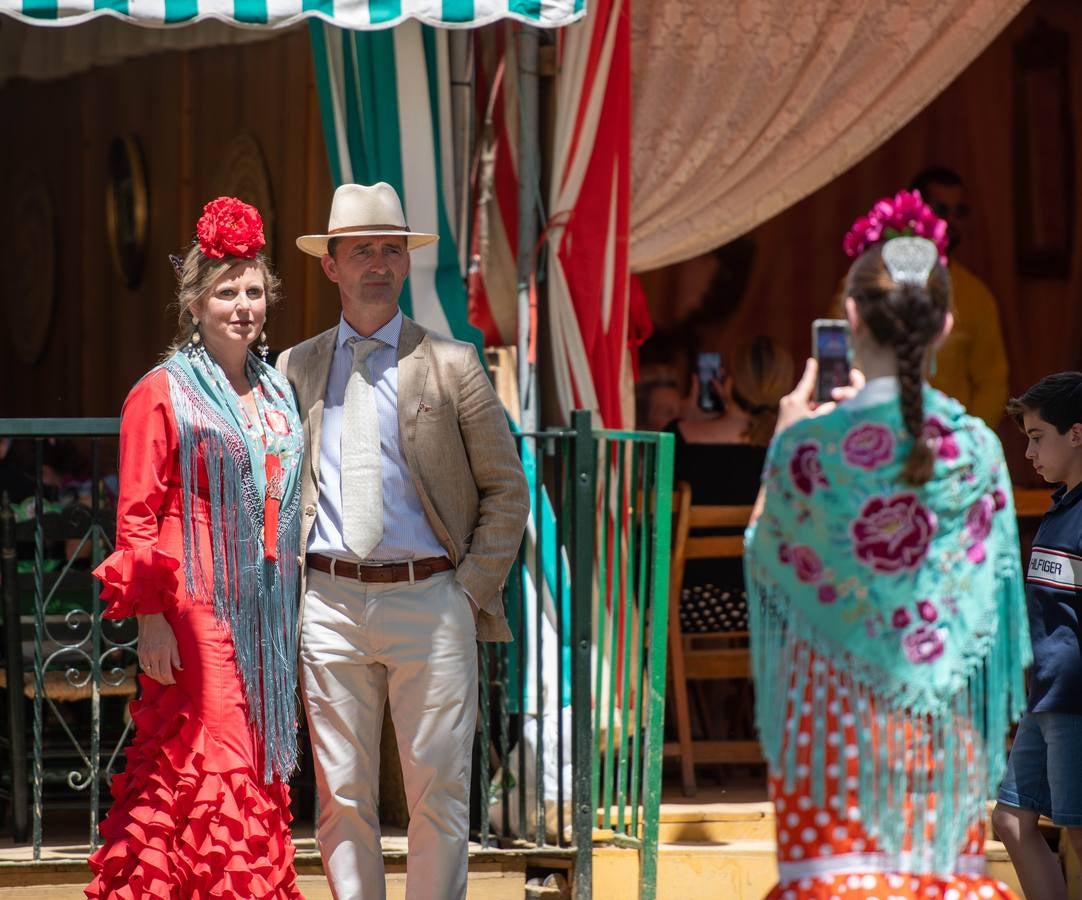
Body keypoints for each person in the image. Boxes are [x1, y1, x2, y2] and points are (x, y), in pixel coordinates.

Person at [746, 190, 1031, 899]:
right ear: (944, 327)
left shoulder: (807, 446)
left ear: (849, 317)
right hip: (944, 726)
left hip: (831, 729)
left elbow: (765, 556)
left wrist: (784, 436)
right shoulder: (977, 447)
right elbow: (991, 601)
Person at [277, 182, 529, 899]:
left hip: (430, 597)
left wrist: (466, 592)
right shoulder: (295, 367)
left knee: (440, 796)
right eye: (363, 251)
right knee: (340, 797)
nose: (380, 264)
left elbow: (506, 492)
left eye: (392, 249)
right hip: (327, 601)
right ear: (332, 265)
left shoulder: (453, 364)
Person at [87, 198, 305, 898]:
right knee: (213, 762)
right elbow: (137, 517)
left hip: (264, 610)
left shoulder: (275, 388)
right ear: (194, 304)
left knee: (249, 764)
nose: (243, 306)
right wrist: (150, 617)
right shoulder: (162, 392)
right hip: (194, 607)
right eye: (226, 292)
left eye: (253, 291)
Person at [992, 373, 1082, 900]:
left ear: (1077, 433)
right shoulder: (1062, 505)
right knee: (1011, 820)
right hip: (1043, 696)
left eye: (1037, 436)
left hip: (1074, 699)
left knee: (1077, 831)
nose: (1027, 451)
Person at [668, 335, 792, 635]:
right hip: (771, 607)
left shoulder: (679, 439)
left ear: (727, 381)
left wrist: (685, 418)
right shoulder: (793, 449)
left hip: (687, 606)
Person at [911, 166, 1009, 427]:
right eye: (941, 210)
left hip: (948, 447)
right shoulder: (875, 280)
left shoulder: (976, 295)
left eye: (960, 212)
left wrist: (966, 440)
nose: (951, 220)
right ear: (915, 211)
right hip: (878, 440)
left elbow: (992, 382)